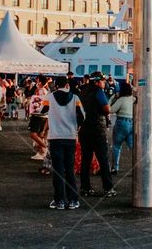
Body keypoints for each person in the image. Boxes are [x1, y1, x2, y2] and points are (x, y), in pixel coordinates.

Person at [44, 76, 84, 210]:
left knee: (58, 170)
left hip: (55, 137)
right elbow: (82, 117)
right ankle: (73, 200)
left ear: (55, 85)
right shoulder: (75, 98)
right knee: (69, 169)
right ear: (67, 85)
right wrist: (76, 126)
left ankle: (59, 200)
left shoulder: (49, 98)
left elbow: (42, 111)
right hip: (70, 137)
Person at [78, 72, 115, 196]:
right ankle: (108, 188)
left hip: (84, 129)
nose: (104, 83)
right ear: (97, 82)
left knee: (86, 159)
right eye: (103, 81)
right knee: (103, 159)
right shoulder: (99, 92)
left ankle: (85, 188)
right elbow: (107, 109)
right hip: (97, 129)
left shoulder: (82, 91)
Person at [109, 83, 135, 174]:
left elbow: (110, 110)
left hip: (121, 123)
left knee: (117, 146)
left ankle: (115, 168)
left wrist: (112, 97)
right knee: (133, 147)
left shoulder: (121, 99)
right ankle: (137, 167)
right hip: (132, 123)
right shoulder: (133, 99)